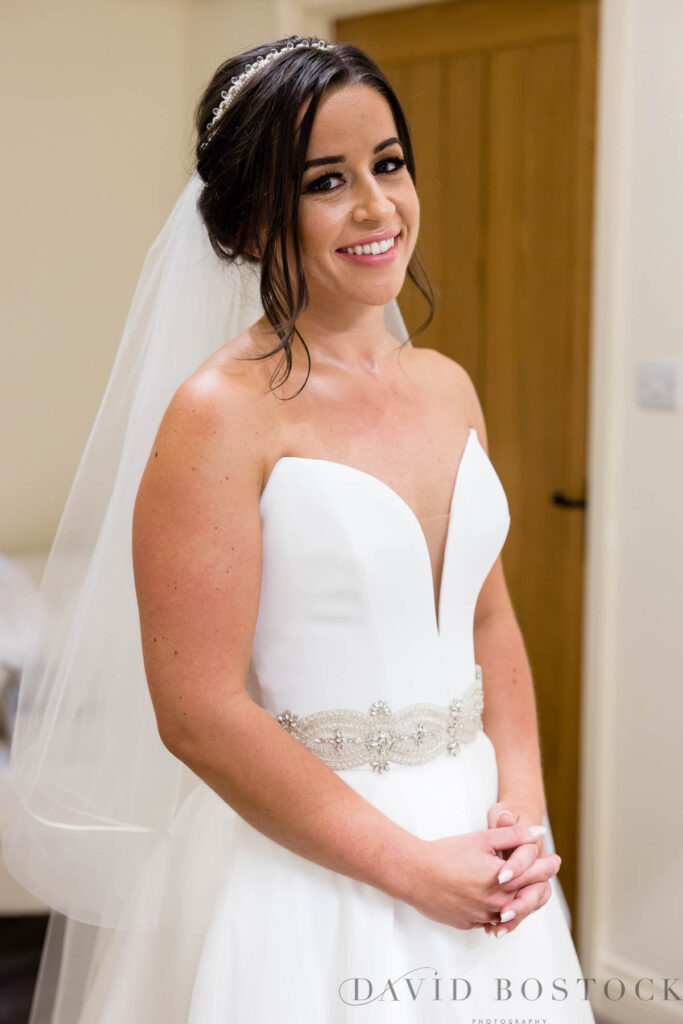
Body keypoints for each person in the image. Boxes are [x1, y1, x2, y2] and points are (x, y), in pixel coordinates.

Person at [4, 35, 596, 1023]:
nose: (375, 206)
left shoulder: (447, 386)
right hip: (301, 874)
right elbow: (197, 711)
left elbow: (486, 622)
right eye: (326, 179)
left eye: (389, 163)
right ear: (244, 222)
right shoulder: (218, 414)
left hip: (479, 841)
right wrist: (411, 868)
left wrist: (520, 816)